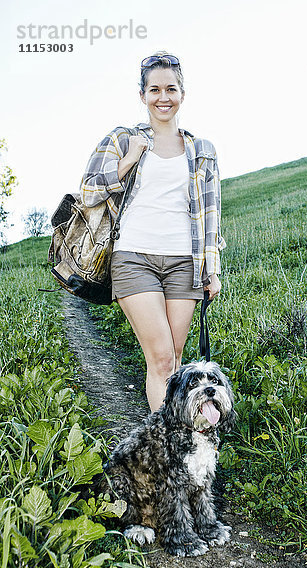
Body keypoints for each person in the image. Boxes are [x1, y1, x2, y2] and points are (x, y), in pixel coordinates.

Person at [79, 51, 226, 413]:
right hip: (133, 256)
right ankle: (167, 447)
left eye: (171, 89)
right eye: (155, 89)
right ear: (142, 95)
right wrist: (128, 161)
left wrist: (213, 267)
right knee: (161, 359)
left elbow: (211, 214)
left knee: (174, 360)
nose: (164, 97)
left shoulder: (202, 150)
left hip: (184, 262)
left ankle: (173, 445)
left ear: (182, 94)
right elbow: (88, 191)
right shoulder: (122, 138)